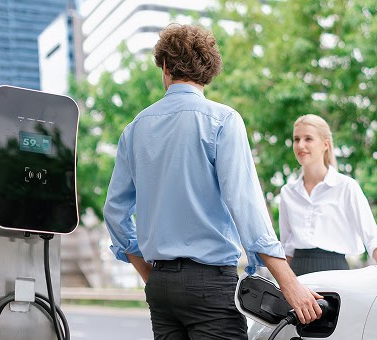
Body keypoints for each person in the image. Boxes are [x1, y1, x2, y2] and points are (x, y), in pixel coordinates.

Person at [103, 24, 322, 340]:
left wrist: (150, 275)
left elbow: (115, 213)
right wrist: (289, 284)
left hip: (161, 288)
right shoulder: (222, 120)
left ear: (165, 67)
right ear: (209, 70)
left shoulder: (135, 128)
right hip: (209, 286)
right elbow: (246, 208)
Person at [279, 114, 377, 276]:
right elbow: (286, 247)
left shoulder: (346, 187)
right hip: (297, 277)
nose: (300, 145)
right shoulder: (287, 192)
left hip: (336, 275)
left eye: (308, 139)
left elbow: (373, 239)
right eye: (296, 139)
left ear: (325, 144)